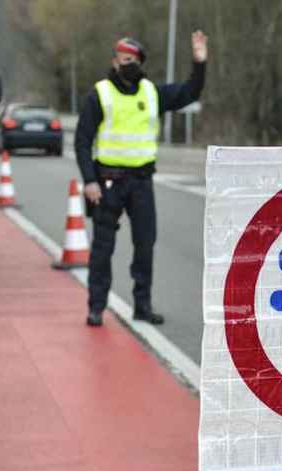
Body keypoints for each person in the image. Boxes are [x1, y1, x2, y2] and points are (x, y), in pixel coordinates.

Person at [76, 32, 207, 327]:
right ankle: (96, 307)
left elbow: (190, 92)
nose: (130, 65)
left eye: (135, 61)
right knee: (102, 249)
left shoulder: (151, 93)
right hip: (107, 182)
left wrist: (200, 62)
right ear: (114, 61)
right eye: (125, 60)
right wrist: (89, 181)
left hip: (141, 183)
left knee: (145, 245)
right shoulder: (100, 94)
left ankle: (142, 306)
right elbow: (82, 141)